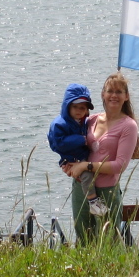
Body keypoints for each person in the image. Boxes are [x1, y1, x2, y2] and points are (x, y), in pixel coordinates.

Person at [64, 72, 139, 244]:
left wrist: (86, 166)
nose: (114, 95)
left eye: (119, 92)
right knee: (83, 239)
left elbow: (119, 166)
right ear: (102, 94)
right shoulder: (91, 119)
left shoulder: (129, 126)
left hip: (107, 191)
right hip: (81, 187)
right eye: (110, 91)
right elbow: (73, 145)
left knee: (107, 243)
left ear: (126, 96)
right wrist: (69, 165)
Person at [48, 83, 109, 216]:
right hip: (70, 158)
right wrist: (82, 140)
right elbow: (58, 143)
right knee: (86, 176)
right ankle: (93, 202)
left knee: (90, 171)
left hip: (81, 155)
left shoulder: (83, 121)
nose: (79, 111)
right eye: (75, 107)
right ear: (67, 106)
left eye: (83, 108)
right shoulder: (59, 124)